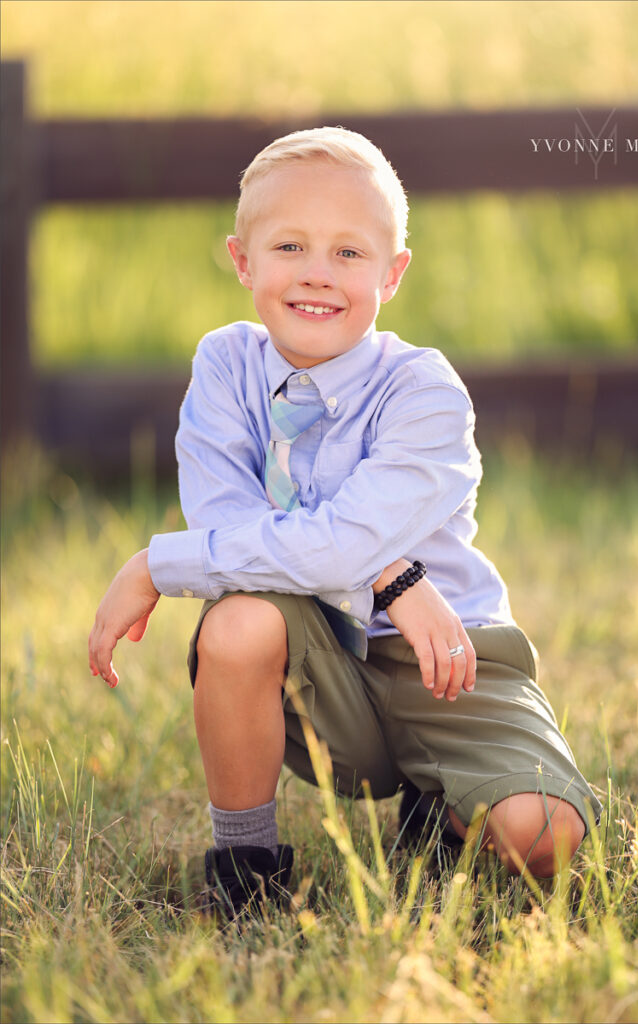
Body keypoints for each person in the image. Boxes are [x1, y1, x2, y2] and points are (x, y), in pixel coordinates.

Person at [89, 126, 601, 918]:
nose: (317, 276)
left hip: (447, 657)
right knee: (237, 620)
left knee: (546, 838)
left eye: (349, 254)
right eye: (290, 246)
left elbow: (341, 540)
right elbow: (230, 524)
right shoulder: (226, 366)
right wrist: (388, 575)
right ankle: (246, 869)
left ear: (392, 273)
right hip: (317, 658)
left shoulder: (424, 392)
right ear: (242, 261)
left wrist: (158, 564)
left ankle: (444, 813)